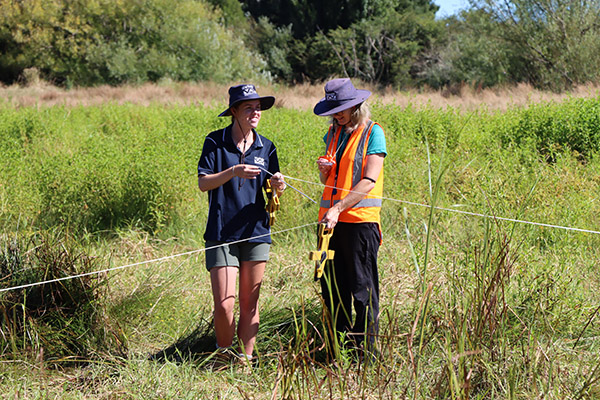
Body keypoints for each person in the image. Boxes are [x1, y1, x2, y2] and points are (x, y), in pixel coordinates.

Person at [197, 84, 286, 362]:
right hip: (222, 233)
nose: (256, 112)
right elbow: (203, 183)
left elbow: (272, 191)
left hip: (256, 232)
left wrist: (278, 186)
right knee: (225, 305)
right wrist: (233, 171)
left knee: (250, 303)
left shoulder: (267, 146)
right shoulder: (215, 141)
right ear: (234, 111)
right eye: (249, 107)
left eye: (258, 107)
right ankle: (223, 357)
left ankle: (245, 361)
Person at [313, 78, 386, 355]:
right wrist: (324, 170)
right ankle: (336, 351)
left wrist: (338, 208)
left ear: (356, 105)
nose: (337, 114)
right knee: (333, 289)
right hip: (331, 225)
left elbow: (368, 180)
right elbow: (329, 180)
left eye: (341, 108)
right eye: (333, 110)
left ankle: (365, 354)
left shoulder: (373, 133)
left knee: (362, 290)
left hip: (360, 222)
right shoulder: (332, 134)